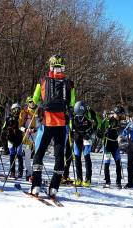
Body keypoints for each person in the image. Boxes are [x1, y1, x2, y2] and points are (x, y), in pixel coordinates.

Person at [29, 55, 76, 197]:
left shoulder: (43, 81)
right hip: (61, 125)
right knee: (59, 156)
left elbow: (34, 101)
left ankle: (36, 185)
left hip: (46, 124)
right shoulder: (69, 84)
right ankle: (54, 187)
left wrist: (33, 106)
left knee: (39, 153)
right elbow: (72, 104)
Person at [65, 101, 100, 187]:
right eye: (78, 114)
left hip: (87, 136)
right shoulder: (73, 114)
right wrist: (71, 132)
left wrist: (91, 133)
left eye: (81, 114)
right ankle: (79, 178)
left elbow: (97, 124)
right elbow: (70, 125)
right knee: (77, 157)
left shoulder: (89, 113)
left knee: (86, 156)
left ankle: (87, 179)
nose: (80, 115)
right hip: (77, 136)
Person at [101, 106, 125, 188]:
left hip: (115, 145)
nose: (121, 115)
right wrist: (104, 133)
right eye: (120, 114)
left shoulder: (119, 121)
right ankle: (107, 181)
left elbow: (120, 131)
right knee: (107, 163)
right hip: (107, 144)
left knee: (118, 163)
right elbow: (100, 130)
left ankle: (118, 182)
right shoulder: (108, 120)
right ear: (117, 113)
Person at [18, 96, 38, 181]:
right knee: (27, 154)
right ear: (27, 102)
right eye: (30, 101)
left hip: (36, 134)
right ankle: (29, 173)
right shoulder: (24, 112)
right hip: (27, 135)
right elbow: (19, 126)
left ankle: (36, 173)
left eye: (33, 101)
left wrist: (35, 129)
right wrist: (25, 129)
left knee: (37, 155)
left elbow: (42, 123)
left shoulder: (39, 111)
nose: (32, 103)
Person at [4, 103, 25, 178]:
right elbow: (4, 127)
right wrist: (5, 131)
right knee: (12, 155)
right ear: (12, 110)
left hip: (19, 138)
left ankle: (20, 172)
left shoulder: (21, 117)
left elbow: (23, 126)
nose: (16, 111)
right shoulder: (8, 117)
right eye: (15, 109)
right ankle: (12, 172)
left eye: (18, 109)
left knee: (19, 155)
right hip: (11, 139)